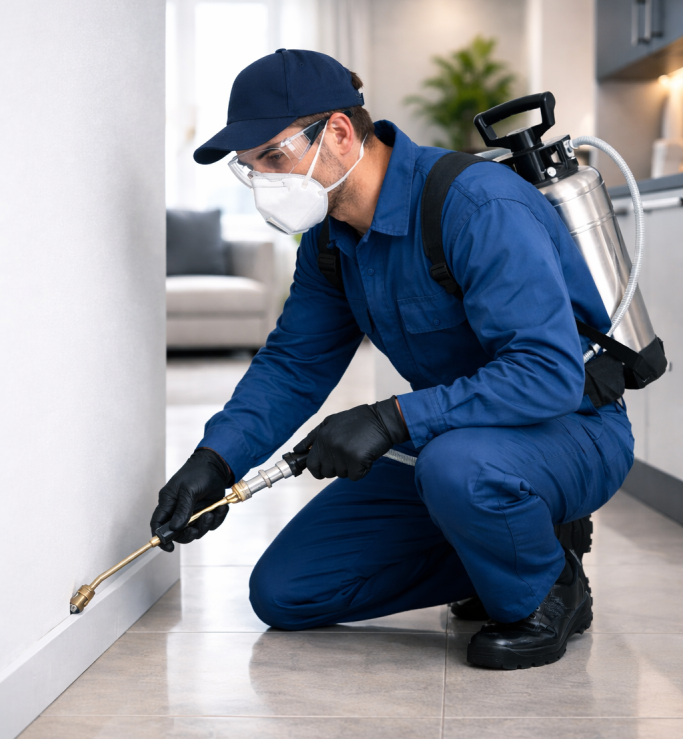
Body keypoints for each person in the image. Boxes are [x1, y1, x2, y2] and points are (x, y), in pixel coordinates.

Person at [151, 48, 633, 670]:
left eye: (274, 157)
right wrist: (214, 461)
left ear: (341, 132)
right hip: (450, 438)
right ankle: (504, 543)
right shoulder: (329, 239)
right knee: (287, 591)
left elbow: (547, 373)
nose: (266, 181)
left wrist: (388, 421)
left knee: (461, 469)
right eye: (251, 169)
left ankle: (548, 589)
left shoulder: (478, 206)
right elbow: (294, 364)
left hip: (570, 429)